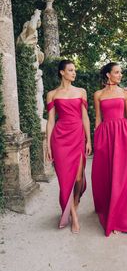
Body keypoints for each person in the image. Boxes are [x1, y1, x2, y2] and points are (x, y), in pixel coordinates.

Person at [91, 62, 127, 236]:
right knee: (107, 173)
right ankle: (108, 207)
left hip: (124, 134)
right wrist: (95, 140)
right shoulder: (98, 94)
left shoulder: (125, 92)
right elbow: (98, 118)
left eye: (121, 72)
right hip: (105, 135)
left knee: (123, 174)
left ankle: (121, 215)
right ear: (108, 75)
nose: (120, 75)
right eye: (117, 72)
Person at [46, 60, 92, 233]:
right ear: (61, 72)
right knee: (65, 179)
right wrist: (48, 145)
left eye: (75, 70)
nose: (74, 73)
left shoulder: (81, 92)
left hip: (77, 135)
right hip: (60, 138)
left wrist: (89, 139)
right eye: (71, 70)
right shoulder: (52, 94)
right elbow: (51, 121)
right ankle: (74, 215)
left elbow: (85, 117)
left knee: (78, 177)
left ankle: (75, 202)